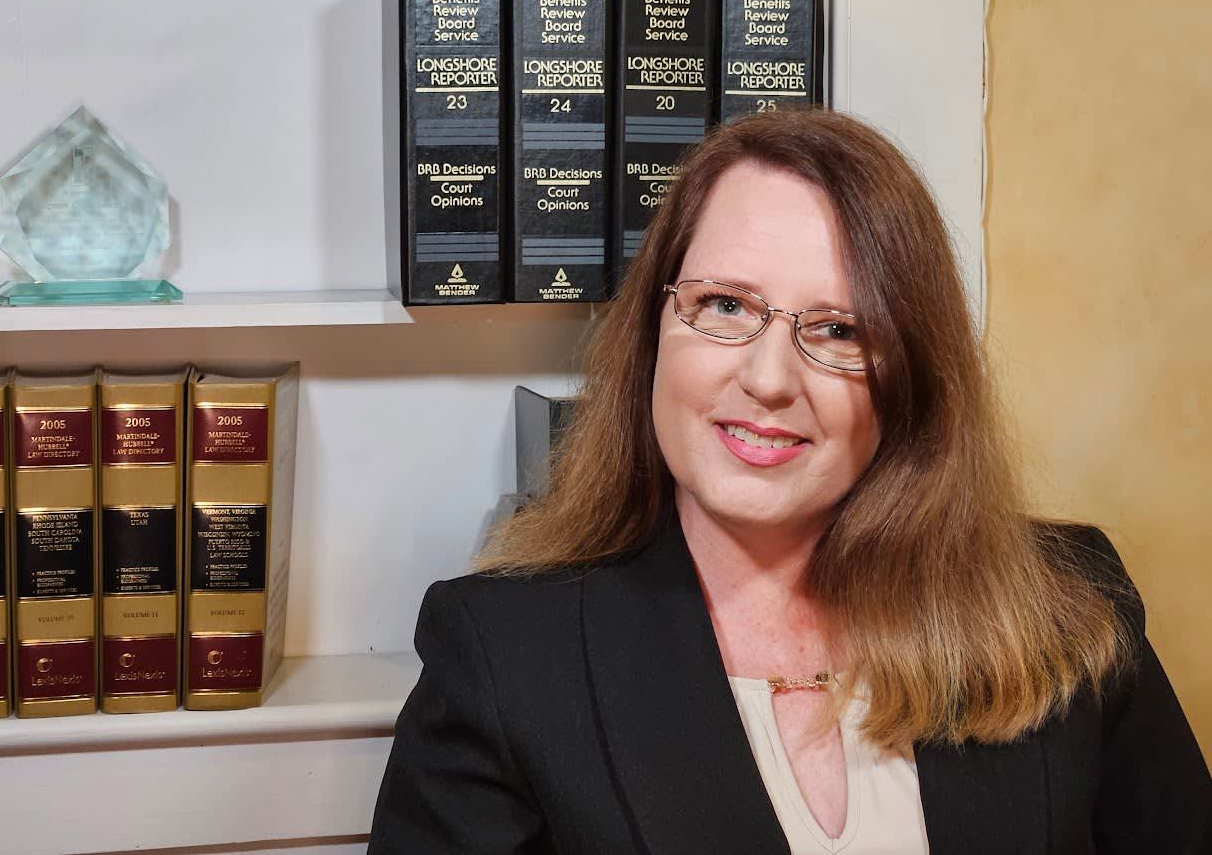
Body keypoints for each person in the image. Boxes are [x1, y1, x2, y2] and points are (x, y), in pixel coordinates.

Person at [369, 108, 1211, 854]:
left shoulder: (1070, 606)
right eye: (726, 305)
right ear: (655, 332)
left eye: (839, 328)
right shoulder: (502, 656)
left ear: (909, 379)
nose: (770, 380)